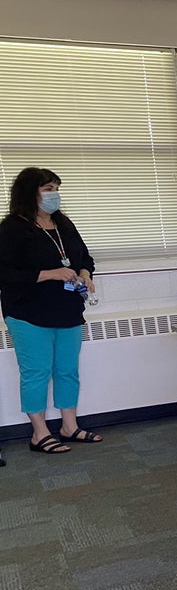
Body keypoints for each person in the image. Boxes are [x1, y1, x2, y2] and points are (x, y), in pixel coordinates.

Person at [0, 167, 101, 453]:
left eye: (56, 189)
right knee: (36, 372)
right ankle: (39, 433)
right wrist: (49, 274)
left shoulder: (63, 223)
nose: (54, 195)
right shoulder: (11, 229)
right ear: (29, 192)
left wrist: (85, 274)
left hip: (67, 309)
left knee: (68, 370)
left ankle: (69, 426)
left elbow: (85, 258)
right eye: (48, 189)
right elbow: (5, 273)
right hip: (28, 313)